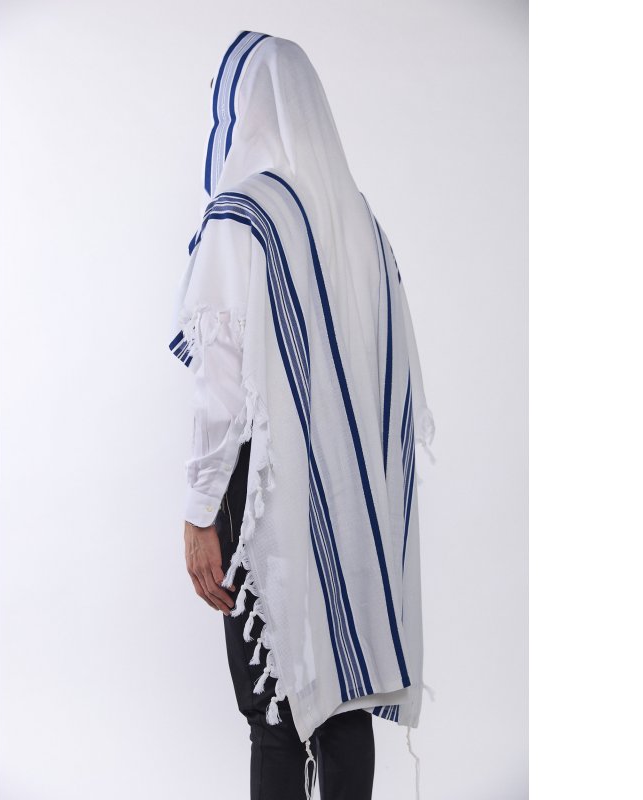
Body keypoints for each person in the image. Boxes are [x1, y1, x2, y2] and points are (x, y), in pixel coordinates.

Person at [169, 30, 436, 800]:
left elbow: (222, 383)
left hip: (263, 486)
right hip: (352, 493)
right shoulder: (358, 219)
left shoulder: (243, 213)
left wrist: (199, 510)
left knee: (273, 712)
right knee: (342, 694)